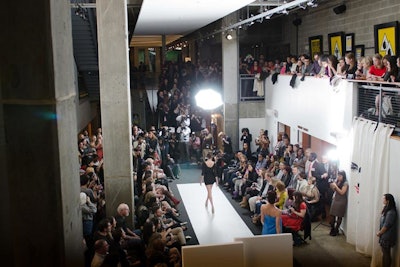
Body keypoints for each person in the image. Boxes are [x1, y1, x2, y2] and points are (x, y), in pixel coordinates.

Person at [377, 193, 397, 267]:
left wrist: (379, 233)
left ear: (388, 201)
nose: (383, 200)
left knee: (386, 254)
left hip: (387, 236)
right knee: (384, 253)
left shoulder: (391, 212)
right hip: (384, 236)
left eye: (384, 199)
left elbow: (387, 225)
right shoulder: (387, 209)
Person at [329, 170, 348, 236]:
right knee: (332, 214)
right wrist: (332, 186)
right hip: (336, 198)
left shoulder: (345, 183)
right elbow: (335, 190)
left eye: (340, 176)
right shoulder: (337, 181)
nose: (338, 177)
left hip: (341, 200)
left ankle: (336, 229)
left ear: (343, 176)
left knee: (339, 216)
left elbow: (342, 192)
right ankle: (332, 228)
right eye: (338, 175)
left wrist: (336, 186)